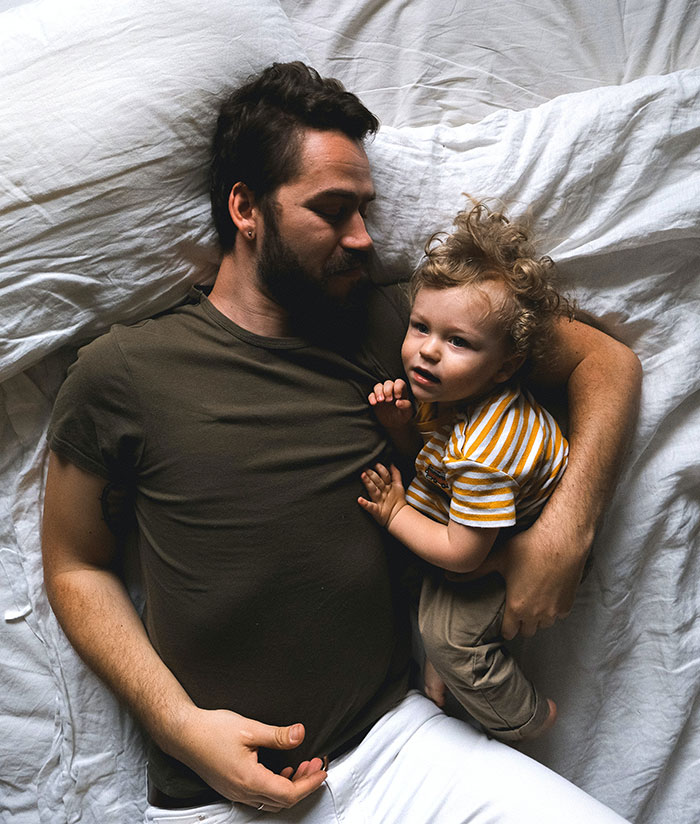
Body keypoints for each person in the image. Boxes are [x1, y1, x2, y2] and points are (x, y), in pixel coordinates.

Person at [41, 61, 641, 823]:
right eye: (332, 210)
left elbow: (605, 361)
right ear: (245, 208)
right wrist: (178, 726)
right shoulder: (125, 370)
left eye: (365, 209)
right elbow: (74, 564)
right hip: (217, 795)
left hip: (400, 746)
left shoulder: (405, 328)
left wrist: (565, 530)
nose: (362, 238)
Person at [359, 201, 574, 742]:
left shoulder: (486, 451)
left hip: (499, 546)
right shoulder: (457, 394)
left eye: (458, 342)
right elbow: (434, 464)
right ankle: (439, 669)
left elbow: (462, 553)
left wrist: (395, 512)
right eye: (420, 327)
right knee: (414, 592)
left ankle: (525, 716)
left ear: (504, 366)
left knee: (449, 636)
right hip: (472, 519)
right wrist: (402, 427)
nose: (427, 352)